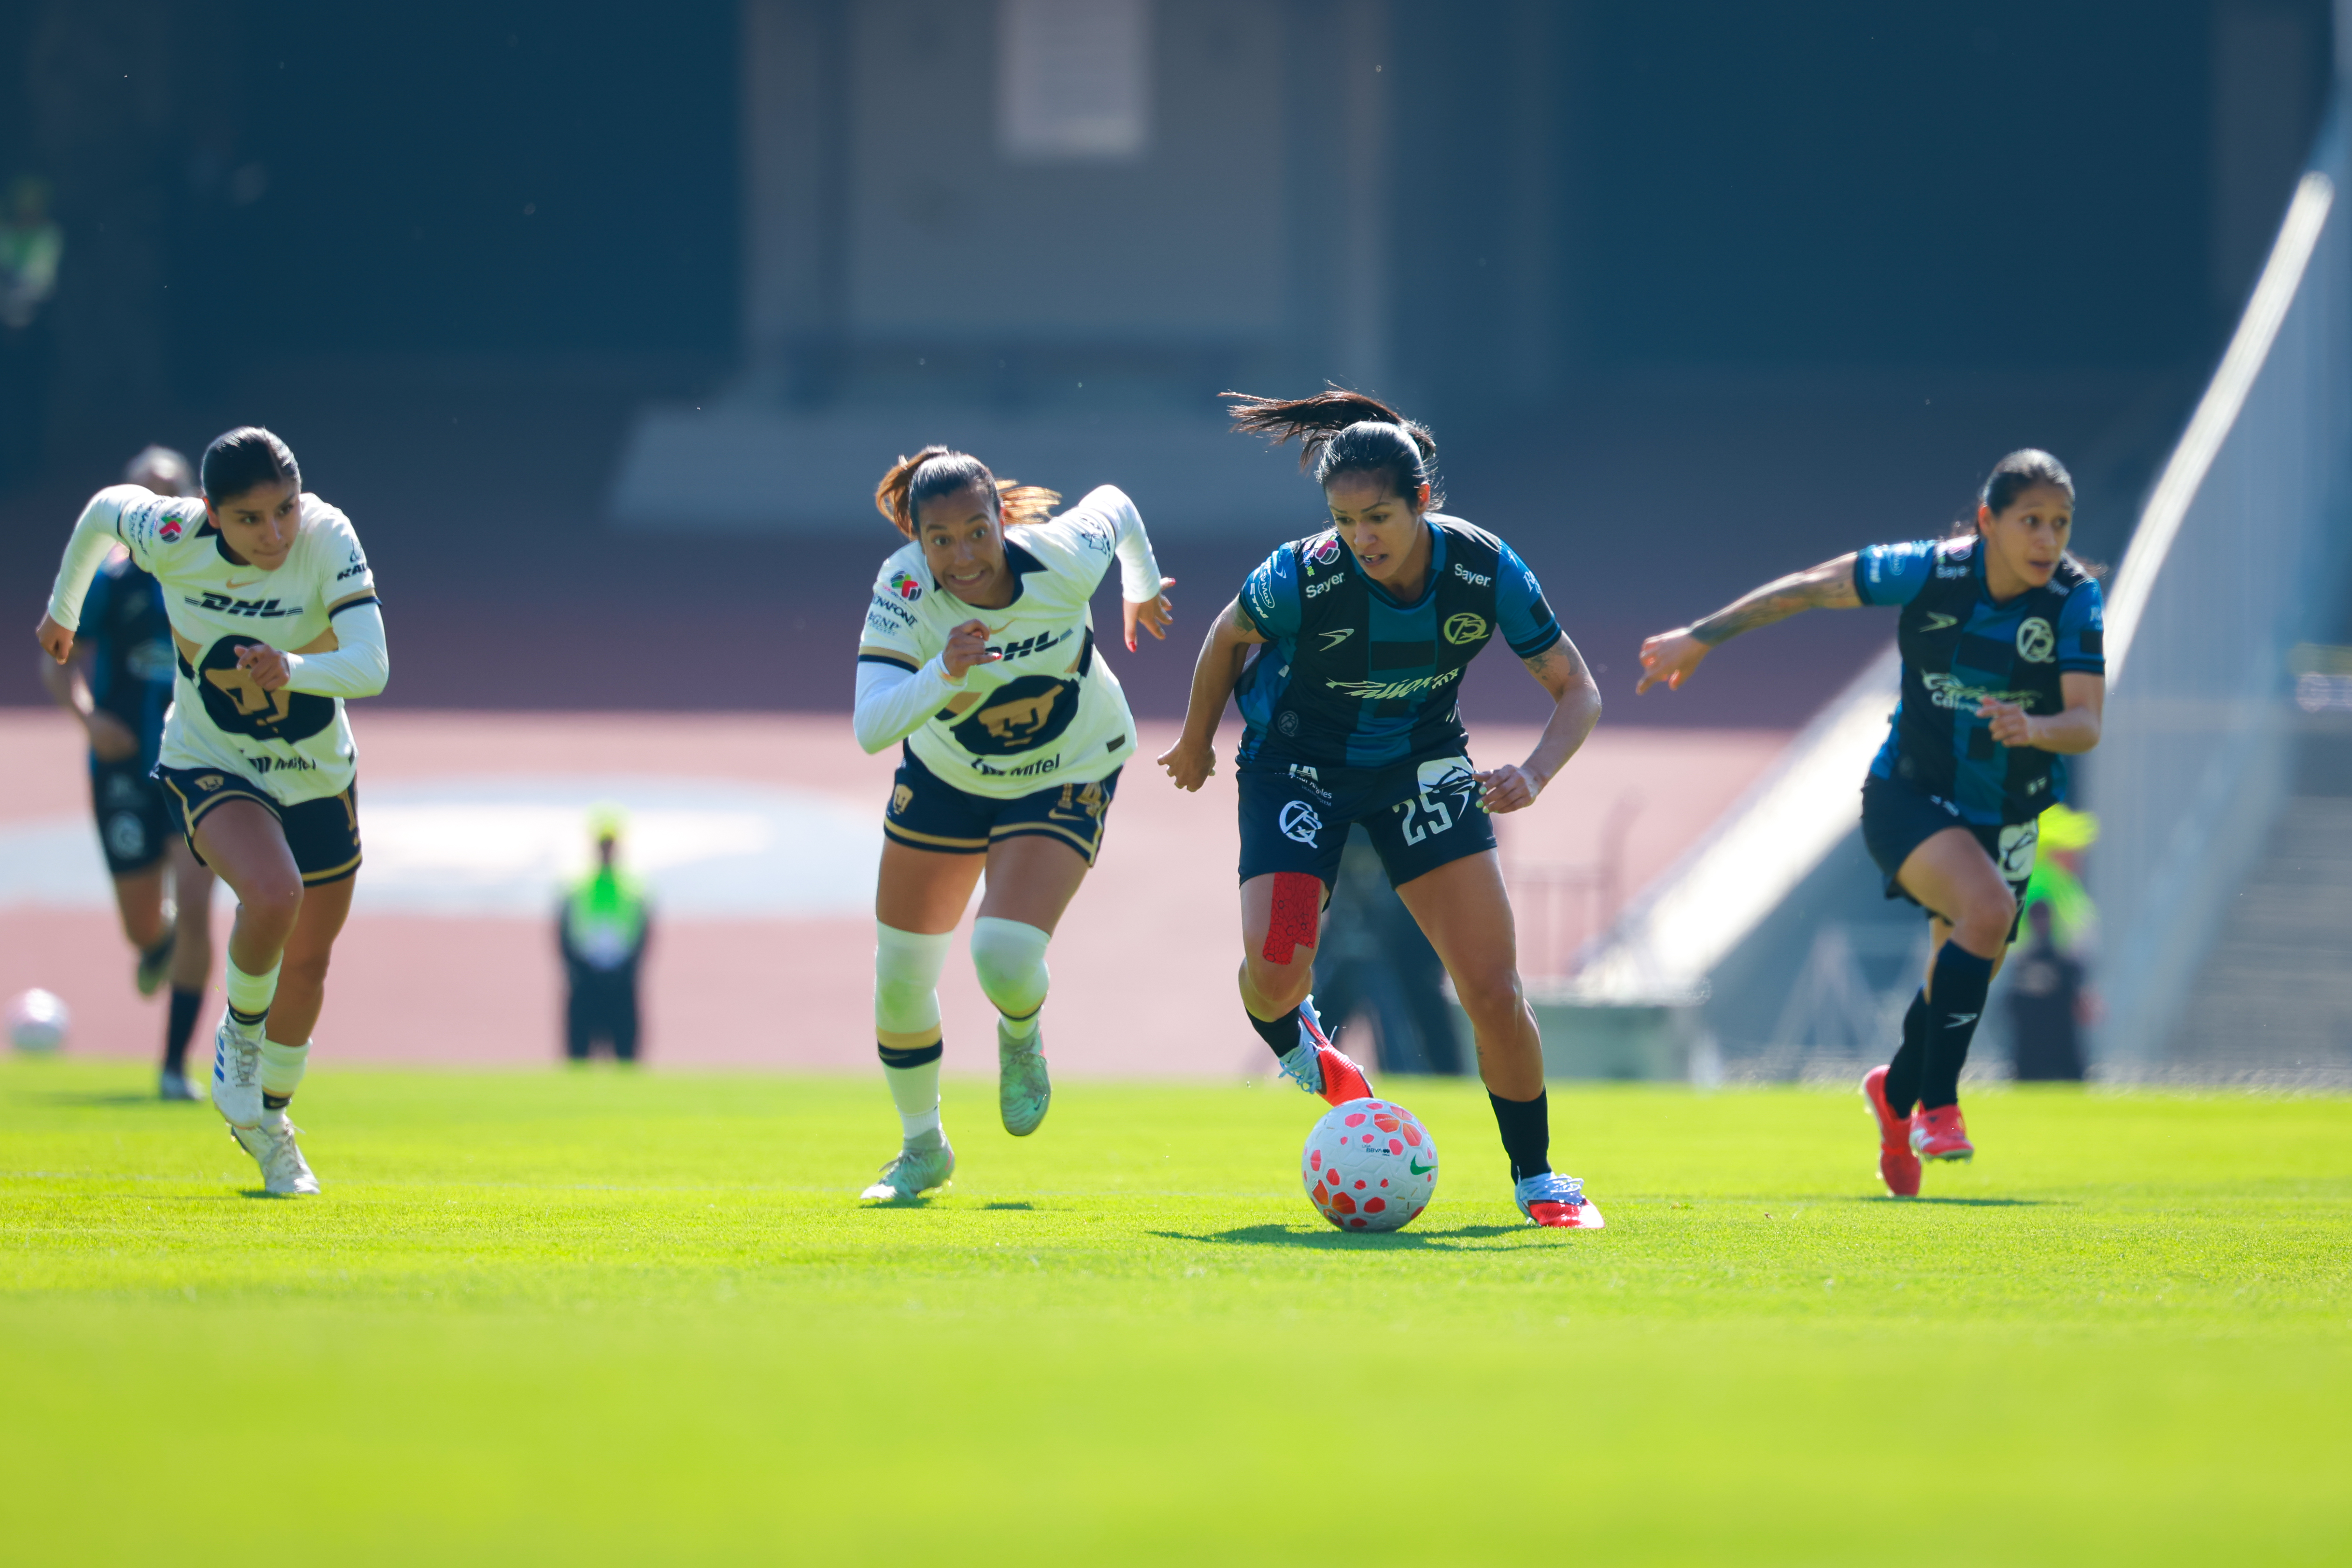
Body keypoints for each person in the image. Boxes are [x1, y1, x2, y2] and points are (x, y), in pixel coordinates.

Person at [1159, 390, 1607, 1230]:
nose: (1360, 539)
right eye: (1343, 520)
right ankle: (1299, 1041)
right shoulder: (1302, 574)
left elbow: (1578, 690)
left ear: (1423, 503)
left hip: (1422, 771)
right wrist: (1195, 743)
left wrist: (1538, 774)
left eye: (1377, 519)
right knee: (1278, 968)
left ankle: (1540, 1179)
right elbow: (1226, 635)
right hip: (1298, 774)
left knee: (1491, 987)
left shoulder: (1486, 570)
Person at [1636, 449, 2105, 1195]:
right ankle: (1938, 1110)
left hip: (2008, 813)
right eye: (2030, 522)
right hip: (1908, 795)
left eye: (2060, 524)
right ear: (1988, 522)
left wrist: (2034, 727)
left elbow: (2084, 723)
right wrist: (1705, 635)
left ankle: (1894, 1098)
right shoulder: (1929, 571)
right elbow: (1814, 588)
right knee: (1988, 911)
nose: (2047, 540)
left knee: (1957, 975)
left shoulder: (2075, 602)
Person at [36, 427, 389, 1196]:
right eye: (251, 518)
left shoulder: (327, 536)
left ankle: (268, 1124)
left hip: (318, 773)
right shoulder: (171, 533)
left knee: (311, 961)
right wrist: (63, 612)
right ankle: (236, 1035)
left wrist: (289, 667)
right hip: (210, 761)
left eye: (285, 511)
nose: (274, 534)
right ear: (209, 513)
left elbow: (373, 664)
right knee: (273, 894)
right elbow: (103, 510)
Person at [852, 446, 1173, 1201]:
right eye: (939, 540)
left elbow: (1118, 503)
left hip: (1066, 767)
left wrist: (1143, 587)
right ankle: (922, 1150)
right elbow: (871, 727)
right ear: (916, 541)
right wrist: (943, 673)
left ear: (1002, 518)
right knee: (900, 979)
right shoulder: (903, 586)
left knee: (1001, 955)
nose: (961, 555)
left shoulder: (1060, 556)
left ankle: (1022, 1034)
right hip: (949, 777)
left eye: (976, 531)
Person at [35, 446, 217, 1099]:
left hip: (197, 765)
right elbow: (56, 662)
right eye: (144, 493)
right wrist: (90, 721)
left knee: (199, 907)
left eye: (170, 492)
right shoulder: (109, 581)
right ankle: (155, 942)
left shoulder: (215, 576)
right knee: (144, 927)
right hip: (121, 765)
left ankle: (173, 1067)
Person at [560, 807, 649, 1064]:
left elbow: (643, 935)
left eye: (611, 845)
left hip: (621, 980)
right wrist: (578, 970)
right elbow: (564, 935)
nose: (607, 851)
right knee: (579, 1056)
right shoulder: (577, 887)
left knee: (626, 1056)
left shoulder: (633, 889)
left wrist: (626, 970)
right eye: (603, 845)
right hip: (585, 979)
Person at [0, 175, 63, 488]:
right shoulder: (6, 232)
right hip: (5, 334)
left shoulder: (47, 235)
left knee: (29, 399)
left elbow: (36, 284)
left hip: (33, 333)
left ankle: (29, 465)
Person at [2005, 900, 2088, 1082]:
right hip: (2031, 1036)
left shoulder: (2064, 959)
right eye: (2037, 917)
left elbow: (2076, 994)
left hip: (2060, 1032)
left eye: (2044, 917)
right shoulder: (2022, 960)